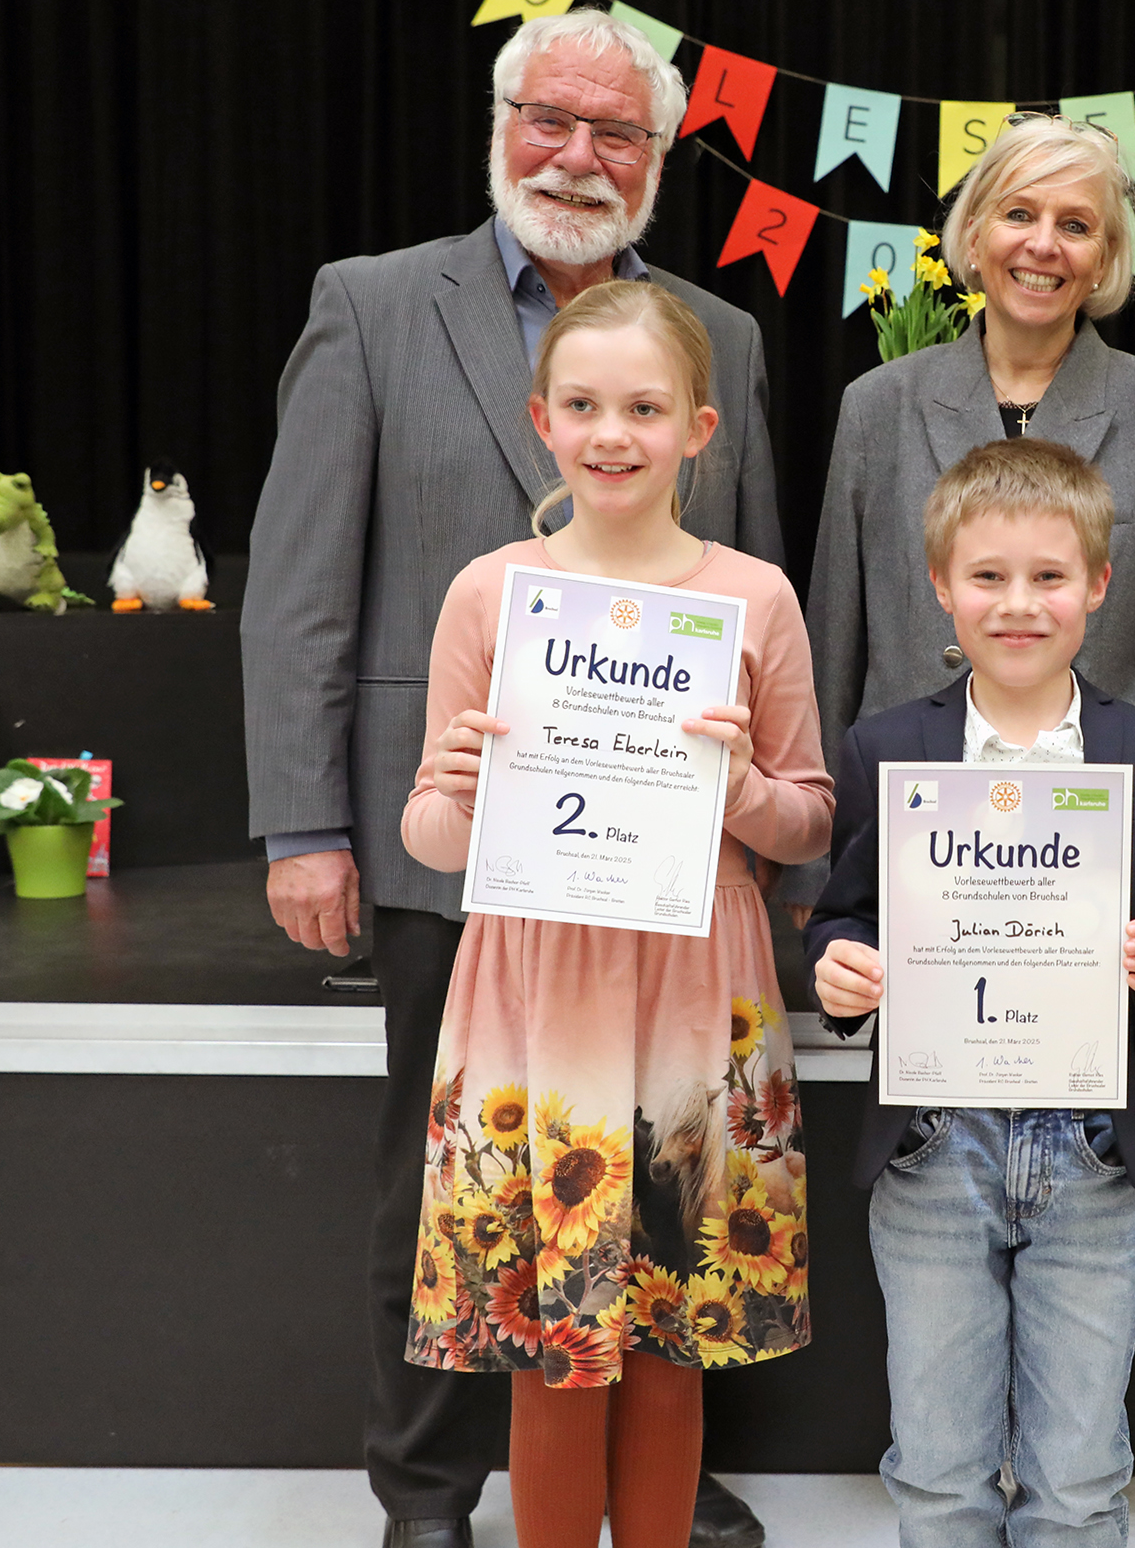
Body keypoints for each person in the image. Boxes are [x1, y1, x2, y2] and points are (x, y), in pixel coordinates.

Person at [241, 6, 783, 1548]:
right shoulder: (369, 304)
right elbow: (297, 585)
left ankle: (656, 1474)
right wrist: (304, 823)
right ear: (499, 123)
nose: (576, 155)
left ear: (658, 158)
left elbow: (748, 587)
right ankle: (426, 1484)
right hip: (452, 838)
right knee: (451, 1176)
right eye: (550, 117)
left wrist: (768, 838)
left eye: (615, 131)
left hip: (671, 864)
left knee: (663, 1172)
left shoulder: (720, 335)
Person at [399, 281, 832, 1548]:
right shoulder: (491, 592)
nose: (612, 432)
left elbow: (809, 819)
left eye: (645, 408)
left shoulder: (755, 596)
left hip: (698, 991)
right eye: (584, 405)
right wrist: (460, 791)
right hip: (538, 995)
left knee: (671, 1340)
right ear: (542, 420)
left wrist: (740, 785)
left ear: (699, 428)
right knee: (556, 1344)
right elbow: (430, 835)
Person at [806, 439, 1135, 1546]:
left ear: (1099, 583)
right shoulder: (886, 748)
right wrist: (840, 973)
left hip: (1094, 1145)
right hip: (933, 1142)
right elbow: (845, 916)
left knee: (1078, 1478)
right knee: (938, 1468)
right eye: (988, 575)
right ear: (940, 585)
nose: (1020, 603)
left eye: (1049, 576)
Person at [790, 113, 1135, 913]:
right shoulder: (876, 407)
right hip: (907, 834)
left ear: (1106, 257)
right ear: (974, 232)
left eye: (1076, 225)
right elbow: (832, 644)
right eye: (1019, 213)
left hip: (1101, 848)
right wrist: (817, 864)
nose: (1043, 244)